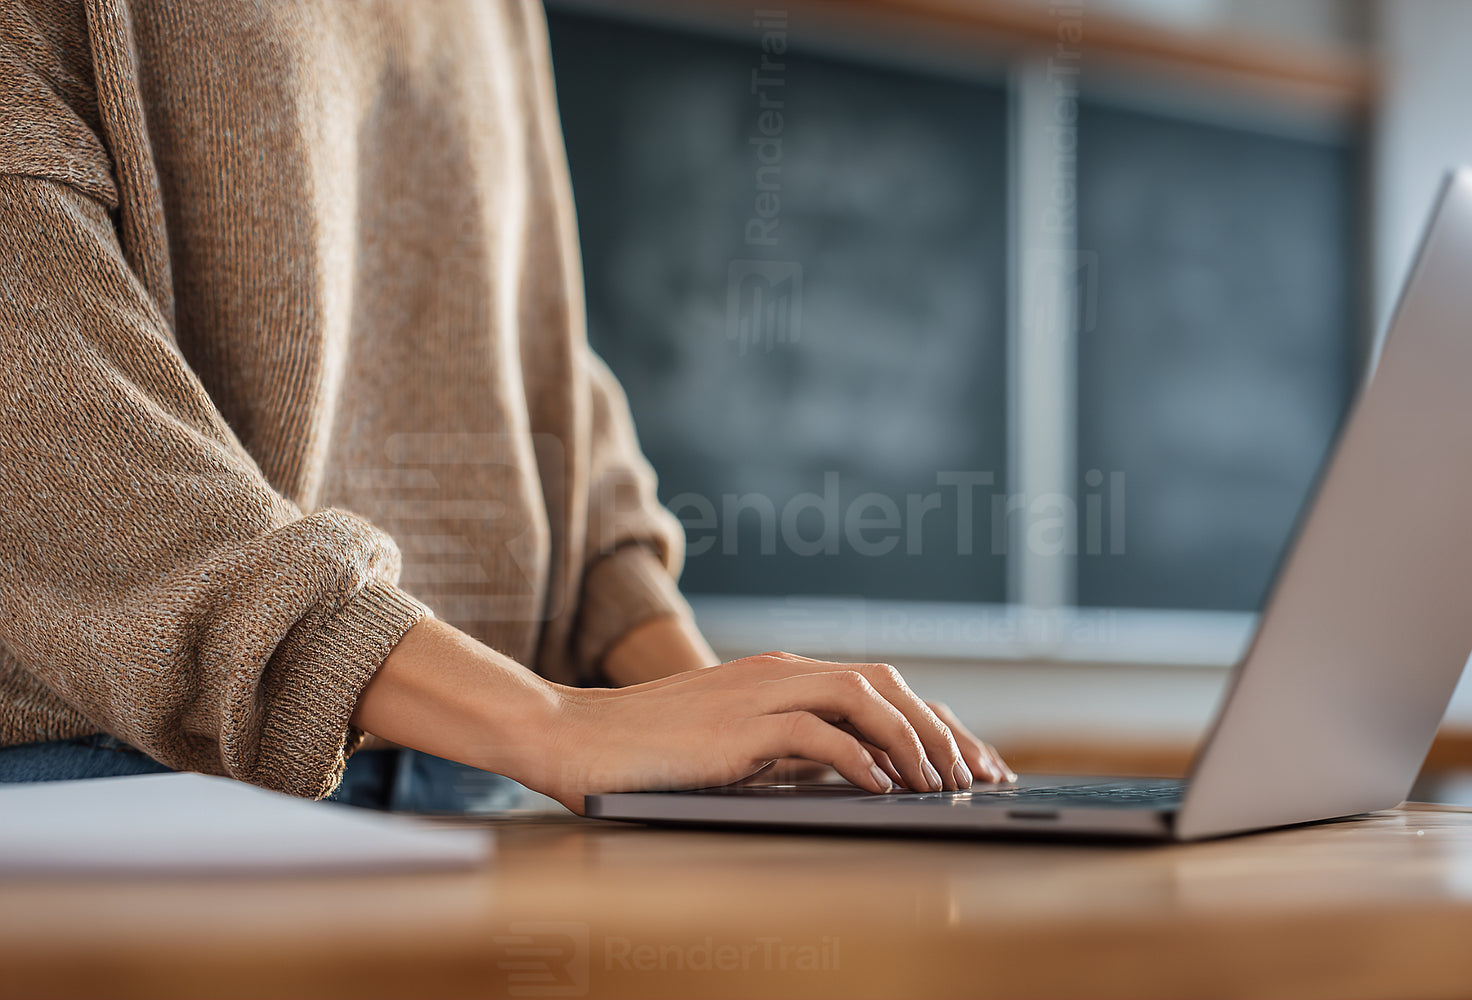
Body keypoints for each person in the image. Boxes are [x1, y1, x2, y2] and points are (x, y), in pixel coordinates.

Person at [0, 0, 1012, 812]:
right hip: (134, 790)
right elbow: (36, 395)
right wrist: (553, 724)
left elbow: (533, 351)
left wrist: (707, 721)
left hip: (488, 778)